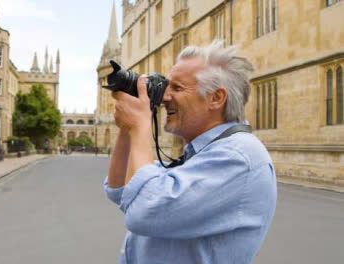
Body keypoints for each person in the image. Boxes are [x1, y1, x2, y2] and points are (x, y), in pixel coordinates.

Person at [104, 40, 277, 264]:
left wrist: (140, 125)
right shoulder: (199, 153)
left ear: (216, 98)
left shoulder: (238, 156)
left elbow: (144, 210)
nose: (165, 98)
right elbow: (120, 189)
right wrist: (128, 127)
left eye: (177, 88)